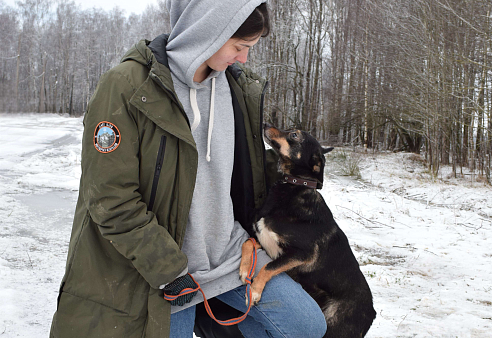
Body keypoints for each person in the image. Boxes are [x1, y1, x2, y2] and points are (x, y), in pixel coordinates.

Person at [50, 0, 327, 337]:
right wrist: (170, 270)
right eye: (240, 47)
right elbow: (110, 198)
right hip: (164, 272)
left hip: (229, 258)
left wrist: (297, 191)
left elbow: (244, 172)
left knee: (306, 325)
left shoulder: (236, 87)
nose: (244, 58)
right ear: (209, 30)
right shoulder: (128, 85)